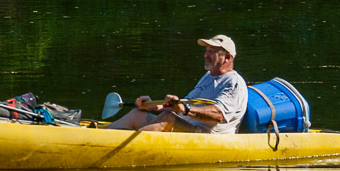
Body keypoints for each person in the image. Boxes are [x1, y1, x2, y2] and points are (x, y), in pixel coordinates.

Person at [105, 35, 247, 134]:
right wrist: (154, 106)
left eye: (211, 52)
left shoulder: (234, 82)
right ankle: (100, 137)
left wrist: (185, 109)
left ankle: (118, 149)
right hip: (187, 126)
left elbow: (219, 115)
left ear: (227, 57)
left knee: (168, 117)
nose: (205, 55)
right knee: (138, 113)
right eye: (206, 51)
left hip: (208, 136)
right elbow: (182, 105)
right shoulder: (209, 76)